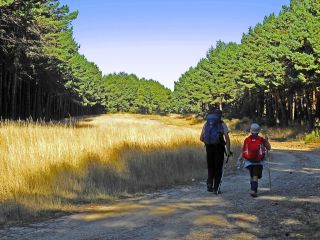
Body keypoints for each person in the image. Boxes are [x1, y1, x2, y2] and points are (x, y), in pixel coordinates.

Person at [200, 109, 231, 194]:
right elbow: (227, 138)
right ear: (220, 116)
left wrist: (208, 143)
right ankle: (216, 188)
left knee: (210, 166)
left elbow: (201, 138)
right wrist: (228, 150)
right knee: (218, 168)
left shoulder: (206, 124)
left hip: (208, 148)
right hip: (219, 148)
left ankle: (209, 184)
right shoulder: (222, 124)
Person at [237, 123, 271, 197]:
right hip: (258, 162)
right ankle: (253, 190)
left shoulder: (247, 139)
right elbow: (269, 148)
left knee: (252, 175)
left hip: (249, 162)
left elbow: (244, 151)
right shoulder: (261, 139)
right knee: (255, 176)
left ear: (250, 130)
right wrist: (266, 141)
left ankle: (252, 188)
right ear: (258, 131)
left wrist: (239, 159)